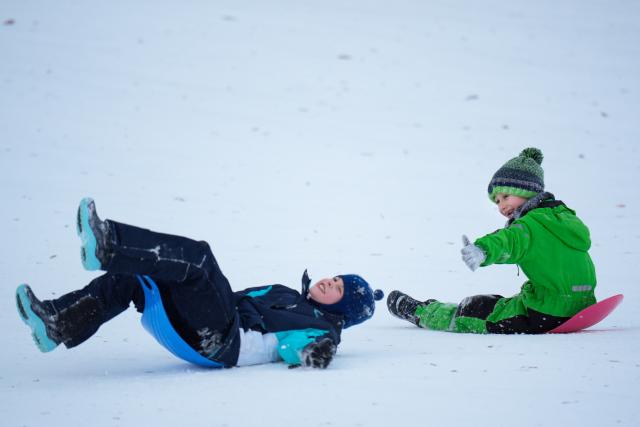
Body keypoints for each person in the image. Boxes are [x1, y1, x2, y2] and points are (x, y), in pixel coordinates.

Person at [16, 198, 383, 369]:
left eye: (338, 288)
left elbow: (306, 348)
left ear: (342, 309)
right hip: (207, 324)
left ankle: (109, 243)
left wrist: (319, 351)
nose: (328, 282)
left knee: (201, 260)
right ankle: (57, 323)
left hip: (223, 340)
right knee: (134, 276)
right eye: (334, 277)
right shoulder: (287, 294)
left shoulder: (321, 328)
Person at [387, 147, 597, 334]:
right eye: (497, 201)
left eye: (506, 196)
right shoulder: (562, 218)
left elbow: (508, 240)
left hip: (546, 311)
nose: (501, 206)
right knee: (500, 303)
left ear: (527, 190)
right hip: (583, 304)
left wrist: (483, 250)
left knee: (473, 311)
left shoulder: (529, 226)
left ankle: (420, 312)